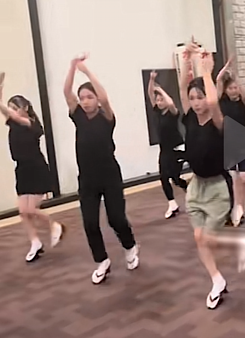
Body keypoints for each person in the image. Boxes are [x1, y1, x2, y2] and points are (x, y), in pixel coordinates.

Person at [179, 43, 245, 310]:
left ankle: (240, 241)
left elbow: (213, 102)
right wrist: (186, 61)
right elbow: (182, 88)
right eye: (193, 98)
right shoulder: (189, 118)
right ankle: (217, 280)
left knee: (208, 238)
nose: (196, 102)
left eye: (200, 97)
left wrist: (206, 71)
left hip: (217, 188)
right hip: (196, 187)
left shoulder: (217, 121)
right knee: (199, 238)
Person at [64, 55, 139, 285]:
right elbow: (66, 92)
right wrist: (72, 67)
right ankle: (102, 261)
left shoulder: (107, 118)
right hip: (87, 180)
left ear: (97, 99)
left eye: (90, 97)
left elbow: (105, 98)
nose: (85, 101)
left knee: (116, 219)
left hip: (109, 176)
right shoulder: (78, 117)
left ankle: (130, 246)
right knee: (90, 223)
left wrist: (87, 72)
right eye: (82, 98)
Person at [0, 73, 64, 262]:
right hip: (22, 170)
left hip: (36, 168)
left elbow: (12, 115)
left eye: (15, 108)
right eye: (10, 108)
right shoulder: (13, 123)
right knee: (22, 211)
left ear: (25, 108)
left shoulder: (31, 124)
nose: (12, 112)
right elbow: (5, 111)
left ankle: (54, 225)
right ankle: (35, 242)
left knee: (30, 210)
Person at [217, 59, 245, 227]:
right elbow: (218, 81)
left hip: (244, 144)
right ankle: (238, 207)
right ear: (226, 91)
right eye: (230, 88)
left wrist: (237, 78)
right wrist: (225, 68)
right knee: (234, 179)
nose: (234, 90)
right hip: (229, 145)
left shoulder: (244, 102)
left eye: (235, 88)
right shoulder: (222, 103)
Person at [148, 71, 187, 219]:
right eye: (157, 100)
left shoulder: (172, 113)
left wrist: (160, 90)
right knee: (163, 177)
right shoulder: (157, 112)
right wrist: (152, 80)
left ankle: (189, 189)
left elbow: (170, 103)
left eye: (161, 100)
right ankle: (172, 204)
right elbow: (150, 94)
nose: (159, 102)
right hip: (164, 150)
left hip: (177, 149)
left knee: (175, 178)